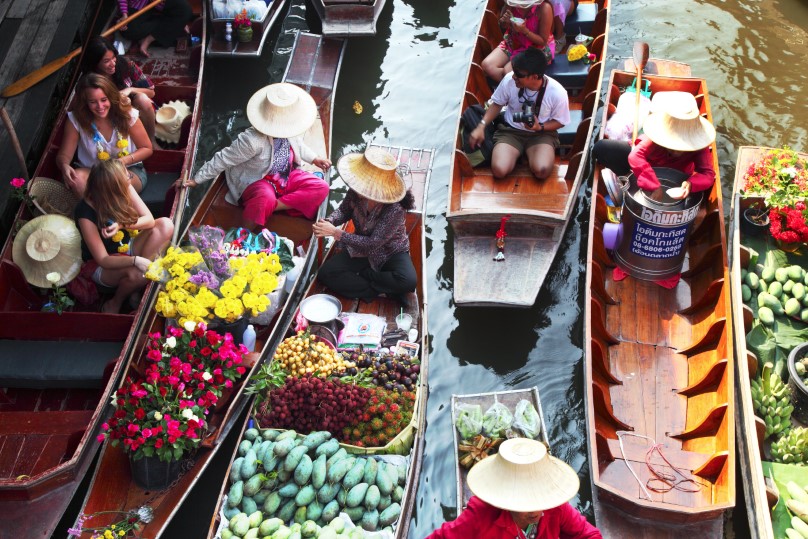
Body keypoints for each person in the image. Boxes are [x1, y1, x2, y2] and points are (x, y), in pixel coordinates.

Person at [179, 83, 331, 229]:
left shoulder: (289, 129)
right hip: (258, 179)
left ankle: (272, 206)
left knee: (320, 186)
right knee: (264, 198)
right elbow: (223, 158)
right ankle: (245, 231)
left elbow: (298, 144)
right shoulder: (251, 141)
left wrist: (315, 159)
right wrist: (196, 180)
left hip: (285, 174)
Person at [427, 438, 602, 539]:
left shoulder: (556, 507)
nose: (535, 511)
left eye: (538, 500)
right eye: (526, 502)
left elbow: (590, 535)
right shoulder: (480, 515)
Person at [312, 147, 417, 303]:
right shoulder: (355, 191)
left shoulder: (396, 208)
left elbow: (373, 243)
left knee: (408, 281)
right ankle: (378, 290)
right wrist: (330, 221)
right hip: (359, 248)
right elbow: (343, 211)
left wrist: (336, 233)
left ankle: (367, 276)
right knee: (326, 273)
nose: (357, 187)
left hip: (390, 252)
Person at [75, 159, 173, 314]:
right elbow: (103, 260)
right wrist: (136, 261)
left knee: (165, 224)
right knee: (139, 273)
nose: (130, 179)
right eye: (127, 177)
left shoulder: (125, 186)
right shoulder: (85, 213)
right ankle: (115, 302)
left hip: (128, 245)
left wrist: (121, 225)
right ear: (114, 189)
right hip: (103, 264)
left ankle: (136, 284)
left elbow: (148, 220)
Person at [592, 91, 716, 200]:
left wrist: (690, 184)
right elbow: (635, 156)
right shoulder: (657, 135)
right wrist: (653, 185)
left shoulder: (699, 144)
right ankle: (629, 179)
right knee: (601, 148)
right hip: (647, 168)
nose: (676, 151)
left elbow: (708, 174)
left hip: (676, 176)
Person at [470, 47, 570, 180]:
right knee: (499, 170)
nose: (513, 76)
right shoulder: (509, 80)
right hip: (511, 131)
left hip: (540, 134)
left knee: (542, 171)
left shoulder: (557, 92)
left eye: (518, 74)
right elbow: (497, 104)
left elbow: (560, 122)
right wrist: (481, 125)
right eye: (514, 71)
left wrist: (539, 127)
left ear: (535, 76)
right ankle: (519, 154)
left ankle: (524, 154)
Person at [57, 73, 153, 197]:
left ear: (111, 97)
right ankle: (95, 214)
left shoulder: (127, 114)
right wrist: (64, 165)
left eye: (104, 100)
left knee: (114, 182)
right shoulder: (76, 119)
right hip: (92, 172)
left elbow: (147, 148)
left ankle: (105, 212)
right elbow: (64, 155)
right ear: (85, 103)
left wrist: (122, 162)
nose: (100, 107)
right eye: (93, 102)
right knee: (77, 180)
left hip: (128, 170)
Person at [81, 36, 157, 144]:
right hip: (110, 118)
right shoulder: (90, 81)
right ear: (95, 63)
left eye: (113, 57)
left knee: (142, 99)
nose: (113, 64)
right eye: (106, 61)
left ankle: (151, 141)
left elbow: (151, 92)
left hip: (139, 112)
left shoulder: (126, 65)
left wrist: (130, 90)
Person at [482, 0, 555, 82]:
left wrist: (525, 31)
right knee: (487, 66)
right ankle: (514, 86)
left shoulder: (544, 8)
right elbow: (502, 24)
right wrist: (505, 22)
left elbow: (543, 41)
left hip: (537, 48)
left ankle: (519, 87)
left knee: (507, 72)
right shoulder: (511, 4)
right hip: (514, 41)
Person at [117, 0, 193, 58]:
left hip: (161, 5)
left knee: (185, 10)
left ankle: (148, 40)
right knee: (128, 30)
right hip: (139, 6)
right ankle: (174, 23)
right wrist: (124, 14)